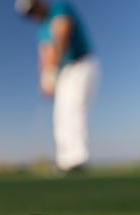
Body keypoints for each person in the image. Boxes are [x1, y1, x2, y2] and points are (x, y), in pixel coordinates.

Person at [15, 0, 100, 172]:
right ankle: (64, 161)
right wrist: (45, 80)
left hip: (80, 64)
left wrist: (51, 70)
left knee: (75, 111)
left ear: (39, 3)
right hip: (62, 72)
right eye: (29, 14)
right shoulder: (41, 30)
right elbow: (44, 55)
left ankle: (77, 160)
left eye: (33, 9)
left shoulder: (59, 9)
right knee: (60, 116)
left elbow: (62, 33)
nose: (33, 14)